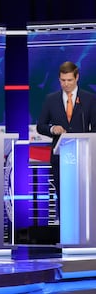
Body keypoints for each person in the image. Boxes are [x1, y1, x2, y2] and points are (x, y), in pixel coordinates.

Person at [36, 61, 96, 208]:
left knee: (83, 197)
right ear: (59, 79)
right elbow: (40, 126)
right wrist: (52, 129)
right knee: (63, 198)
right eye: (63, 80)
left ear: (77, 78)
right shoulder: (51, 99)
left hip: (83, 157)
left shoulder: (89, 99)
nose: (66, 84)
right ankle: (64, 227)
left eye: (69, 80)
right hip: (59, 157)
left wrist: (84, 139)